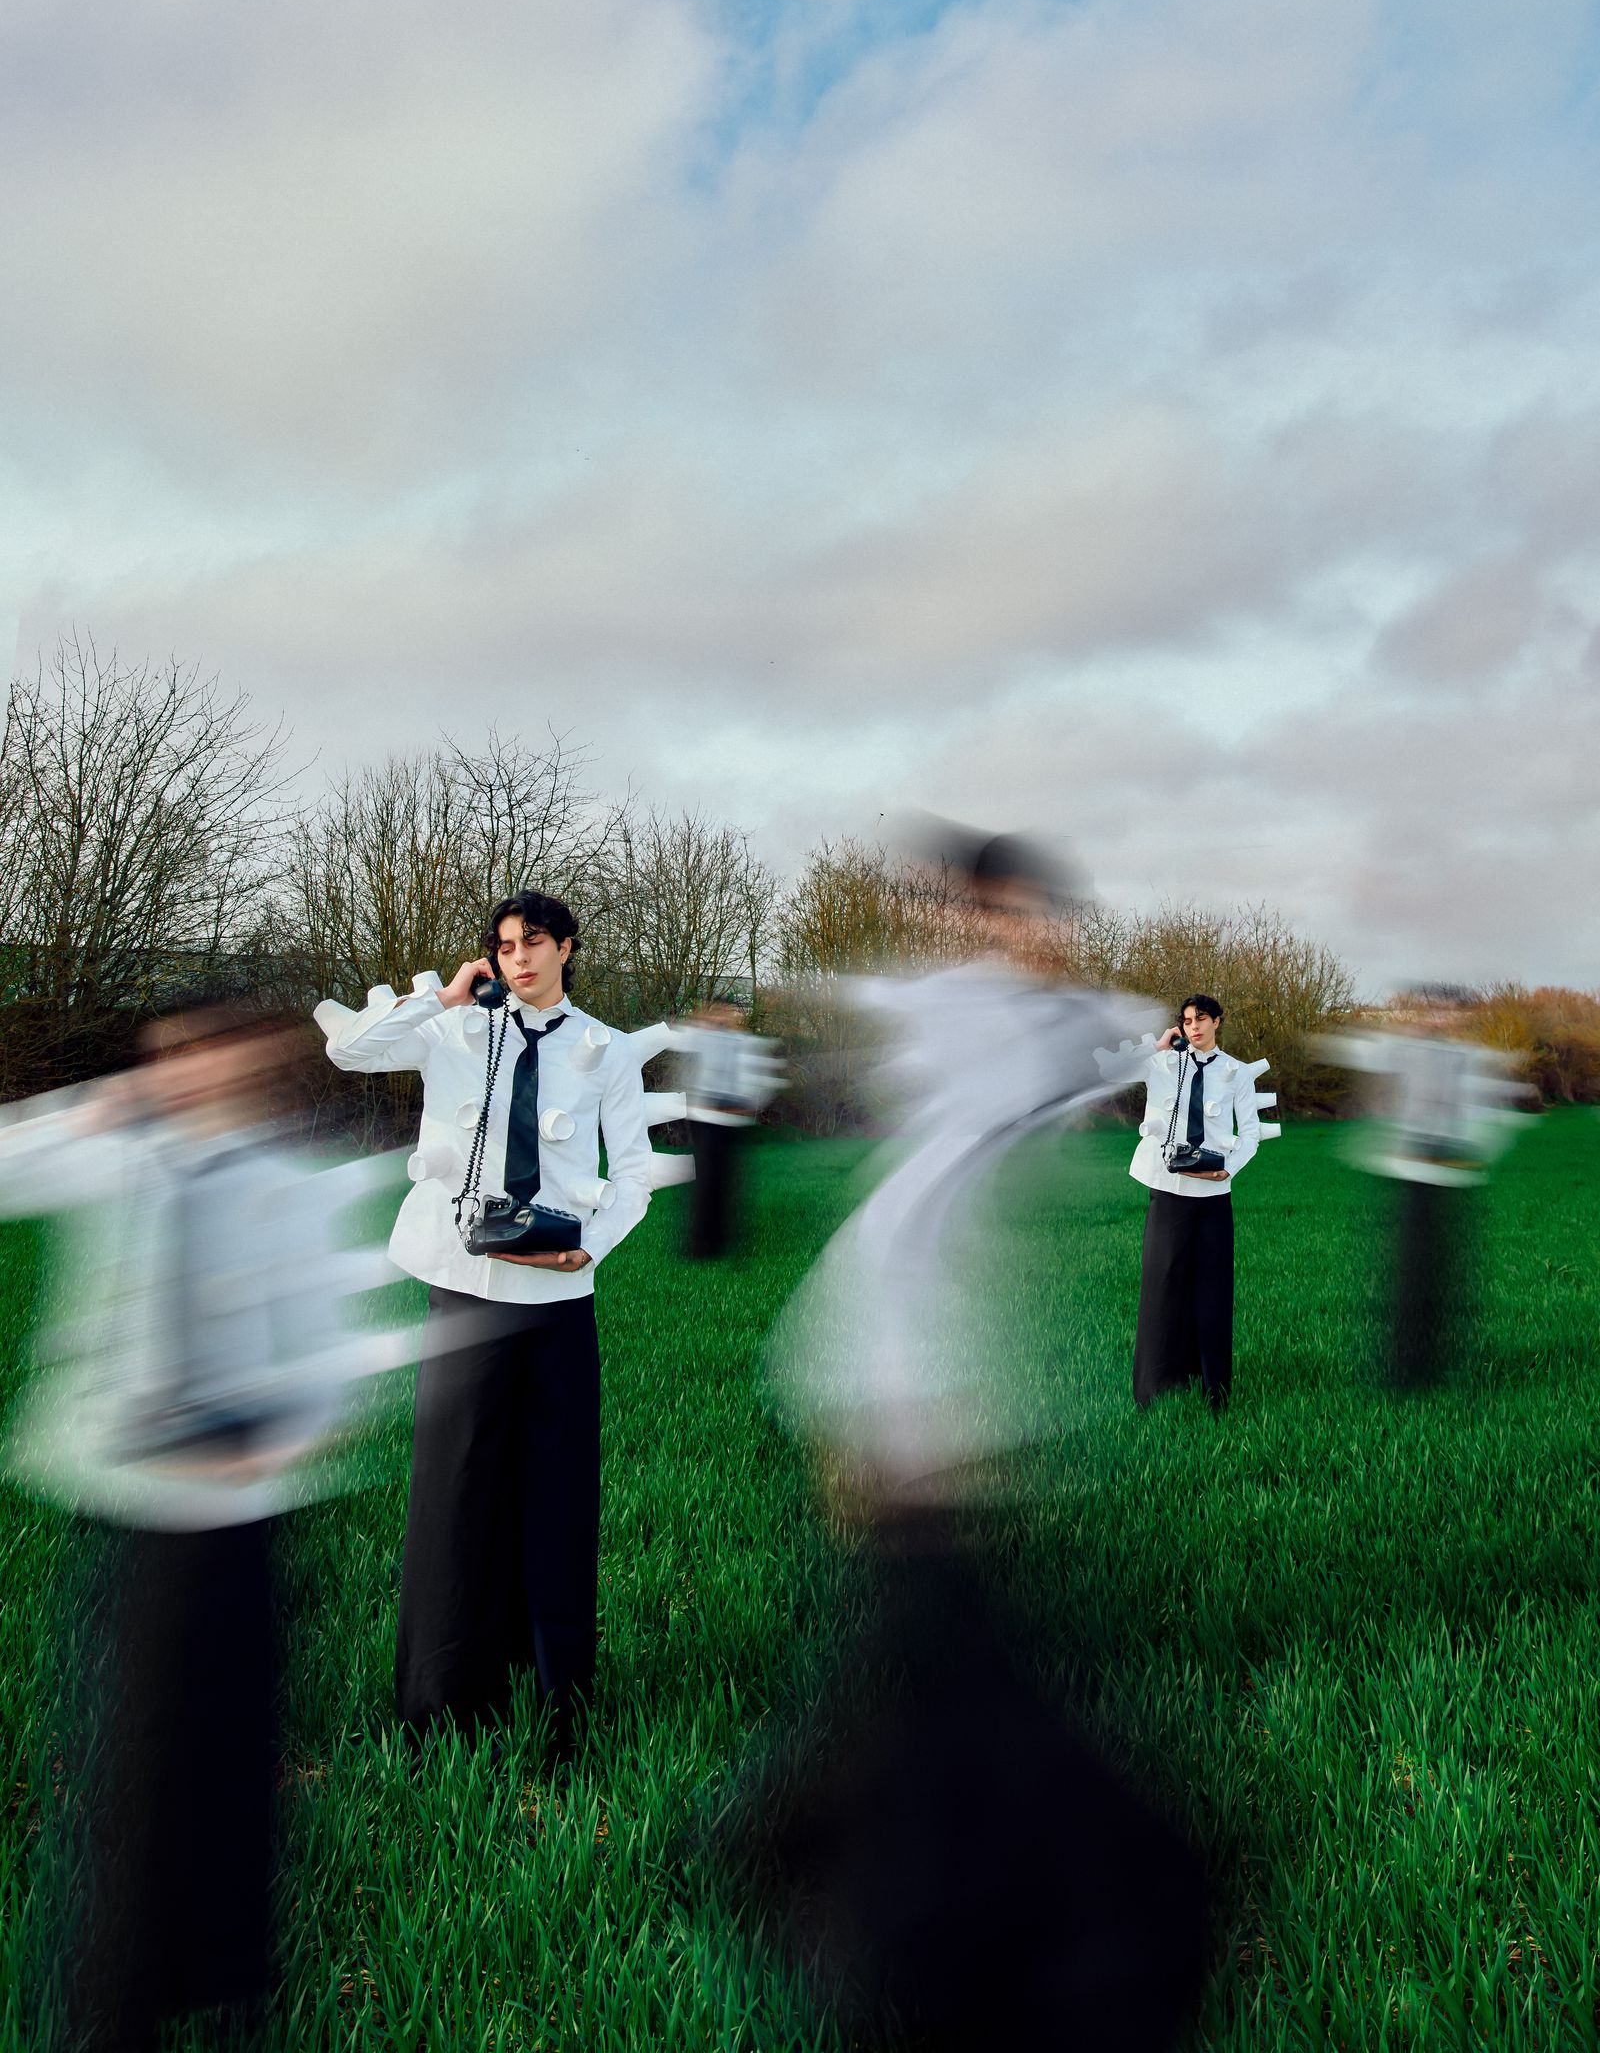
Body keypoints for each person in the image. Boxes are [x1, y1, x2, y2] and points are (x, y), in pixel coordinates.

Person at [749, 830, 1208, 2052]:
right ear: (969, 919)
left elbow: (1114, 1037)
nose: (1024, 933)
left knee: (922, 1634)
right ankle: (883, 1883)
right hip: (897, 1343)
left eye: (1037, 914)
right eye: (998, 915)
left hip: (950, 1345)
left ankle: (818, 1851)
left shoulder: (1055, 1016)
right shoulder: (953, 1008)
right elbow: (896, 1013)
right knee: (946, 1639)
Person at [0, 993, 379, 2053]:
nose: (197, 1072)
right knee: (128, 1768)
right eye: (173, 1054)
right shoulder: (110, 1159)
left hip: (239, 1511)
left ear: (264, 1063)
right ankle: (112, 1998)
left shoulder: (291, 1191)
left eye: (222, 1051)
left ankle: (230, 1982)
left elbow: (331, 1350)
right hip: (123, 1500)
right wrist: (90, 1107)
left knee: (229, 1763)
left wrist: (276, 1443)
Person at [317, 889, 651, 1754]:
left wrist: (591, 1249)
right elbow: (348, 1050)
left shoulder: (605, 1050)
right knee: (454, 1492)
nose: (518, 959)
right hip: (464, 1291)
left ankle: (556, 1696)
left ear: (567, 946)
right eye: (503, 946)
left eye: (533, 942)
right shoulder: (456, 1030)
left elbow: (640, 1171)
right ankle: (441, 1700)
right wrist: (445, 995)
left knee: (558, 1492)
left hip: (558, 1297)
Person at [1321, 991, 1529, 1390]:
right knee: (1409, 1270)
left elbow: (1487, 1107)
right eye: (1432, 1009)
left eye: (1448, 1012)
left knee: (1445, 1271)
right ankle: (1404, 1366)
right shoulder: (1402, 1049)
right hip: (1410, 1172)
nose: (1438, 1018)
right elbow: (1363, 1055)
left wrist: (1477, 1144)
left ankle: (1437, 1360)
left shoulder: (1468, 1058)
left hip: (1452, 1175)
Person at [1120, 993, 1275, 1413]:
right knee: (1161, 1285)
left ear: (1217, 1021)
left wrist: (1229, 1170)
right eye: (1187, 1020)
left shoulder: (1236, 1072)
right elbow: (1112, 1072)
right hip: (1167, 1190)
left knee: (1212, 1291)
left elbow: (1252, 1134)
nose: (1194, 1026)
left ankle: (1214, 1392)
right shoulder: (1161, 1065)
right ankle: (1153, 1388)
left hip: (1213, 1194)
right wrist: (1156, 1046)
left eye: (1201, 1018)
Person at [674, 997, 781, 1259]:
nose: (725, 1018)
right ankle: (701, 1247)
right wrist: (699, 1023)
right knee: (706, 1183)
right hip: (705, 1119)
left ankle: (722, 1241)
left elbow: (764, 1076)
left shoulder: (746, 1043)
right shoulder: (701, 1037)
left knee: (727, 1183)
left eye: (731, 1013)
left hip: (734, 1121)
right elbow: (677, 1039)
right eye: (720, 1012)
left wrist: (749, 1104)